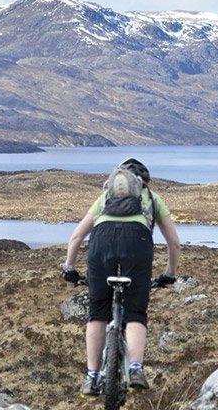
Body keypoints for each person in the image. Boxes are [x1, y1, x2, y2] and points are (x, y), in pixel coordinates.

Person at [62, 158, 181, 396]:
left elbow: (76, 237)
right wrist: (169, 274)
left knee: (98, 311)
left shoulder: (105, 198)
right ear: (144, 183)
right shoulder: (153, 199)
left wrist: (69, 268)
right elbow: (174, 244)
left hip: (101, 244)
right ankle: (135, 368)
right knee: (135, 312)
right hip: (137, 245)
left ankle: (92, 377)